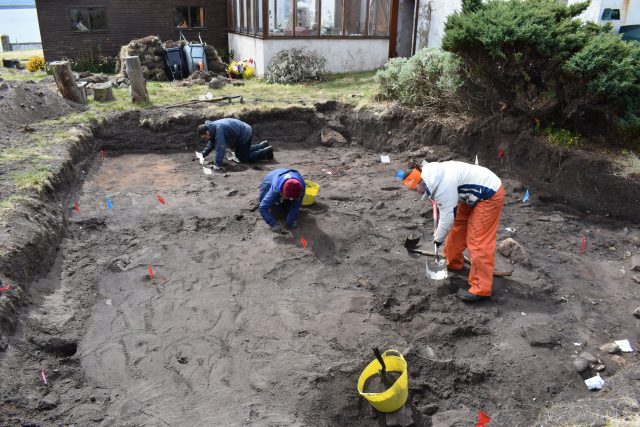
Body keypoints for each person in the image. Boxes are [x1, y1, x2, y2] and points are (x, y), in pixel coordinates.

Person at [415, 160, 505, 302]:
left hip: (489, 195)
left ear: (422, 181)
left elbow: (446, 219)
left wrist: (438, 239)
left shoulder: (443, 187)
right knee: (458, 230)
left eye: (416, 189)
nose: (416, 192)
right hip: (468, 195)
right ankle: (453, 262)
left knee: (477, 240)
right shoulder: (431, 174)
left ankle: (481, 288)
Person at [196, 119, 273, 170]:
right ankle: (263, 145)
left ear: (206, 132)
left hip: (244, 134)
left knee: (243, 158)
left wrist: (217, 165)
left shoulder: (219, 131)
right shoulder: (212, 128)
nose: (205, 140)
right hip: (241, 132)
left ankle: (267, 151)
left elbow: (220, 147)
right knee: (238, 154)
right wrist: (203, 155)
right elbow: (212, 143)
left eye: (204, 138)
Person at [259, 168, 306, 233]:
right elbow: (262, 207)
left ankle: (285, 203)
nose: (290, 199)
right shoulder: (275, 188)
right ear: (281, 192)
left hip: (285, 179)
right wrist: (273, 224)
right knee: (277, 214)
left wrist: (290, 222)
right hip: (269, 181)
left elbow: (296, 204)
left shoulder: (301, 187)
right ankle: (278, 203)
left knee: (291, 207)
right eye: (287, 197)